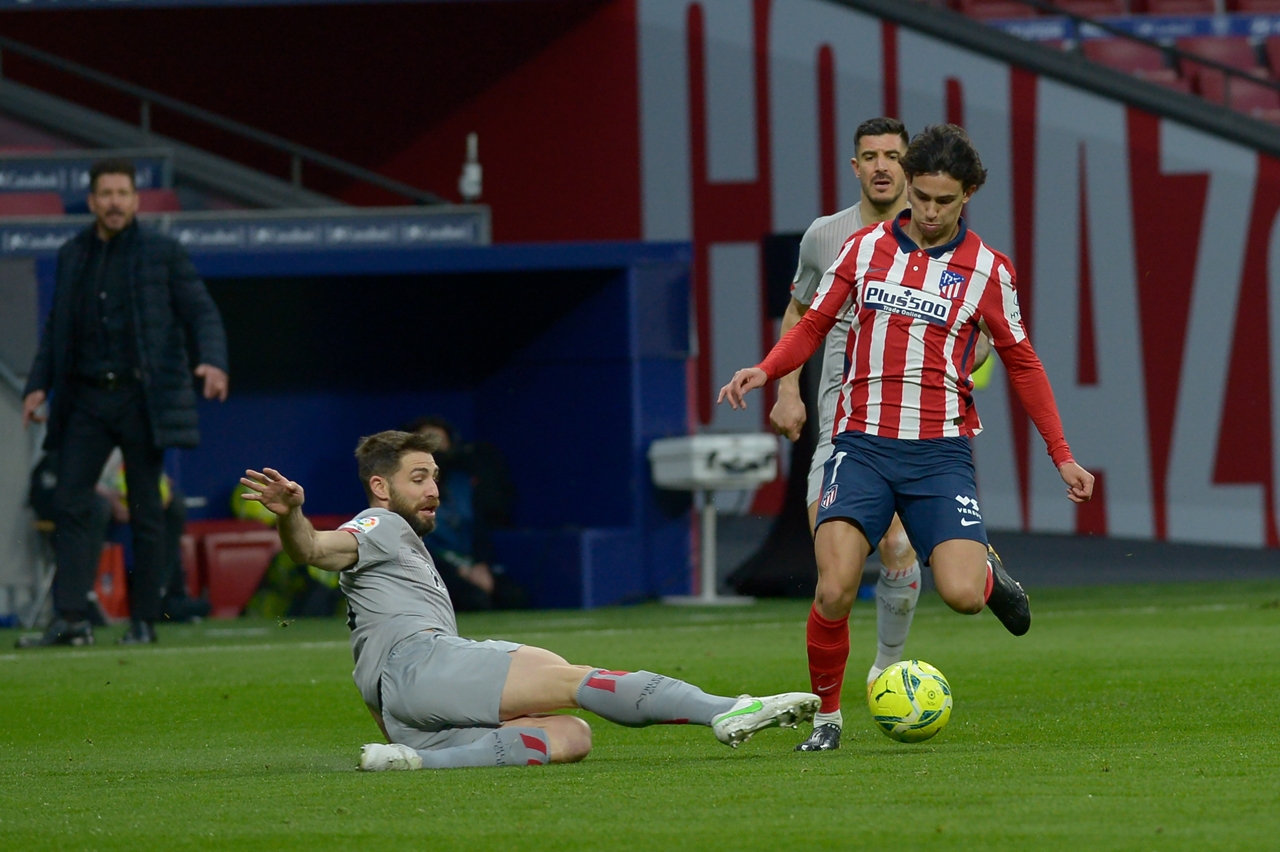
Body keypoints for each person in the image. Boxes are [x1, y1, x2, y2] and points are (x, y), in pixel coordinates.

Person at [719, 124, 1094, 752]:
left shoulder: (988, 271)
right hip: (860, 445)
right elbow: (813, 324)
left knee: (960, 597)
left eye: (943, 201)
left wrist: (1062, 455)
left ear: (968, 194)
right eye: (921, 197)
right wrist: (770, 369)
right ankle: (827, 720)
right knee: (834, 585)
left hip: (938, 455)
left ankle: (986, 577)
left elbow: (1024, 364)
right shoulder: (863, 248)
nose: (928, 211)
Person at [238, 431, 819, 770]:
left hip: (400, 709)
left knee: (573, 737)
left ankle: (418, 764)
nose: (435, 489)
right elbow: (315, 549)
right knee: (568, 677)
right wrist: (293, 516)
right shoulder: (379, 526)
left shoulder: (399, 550)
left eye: (436, 476)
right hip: (424, 665)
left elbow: (367, 664)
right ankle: (726, 708)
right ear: (381, 487)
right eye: (419, 477)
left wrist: (397, 732)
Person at [18, 158, 228, 648]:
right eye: (106, 193)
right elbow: (56, 331)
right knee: (71, 501)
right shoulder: (73, 253)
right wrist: (36, 385)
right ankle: (71, 620)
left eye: (123, 193)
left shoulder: (163, 251)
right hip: (86, 397)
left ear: (135, 200)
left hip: (142, 398)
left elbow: (201, 311)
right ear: (92, 201)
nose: (114, 202)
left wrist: (213, 361)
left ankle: (144, 620)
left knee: (147, 511)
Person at [403, 416, 523, 611]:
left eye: (440, 442)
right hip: (431, 569)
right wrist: (459, 571)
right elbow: (408, 543)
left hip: (470, 564)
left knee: (513, 596)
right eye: (427, 442)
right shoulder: (403, 490)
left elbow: (479, 531)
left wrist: (482, 565)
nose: (435, 449)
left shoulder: (463, 484)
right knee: (473, 600)